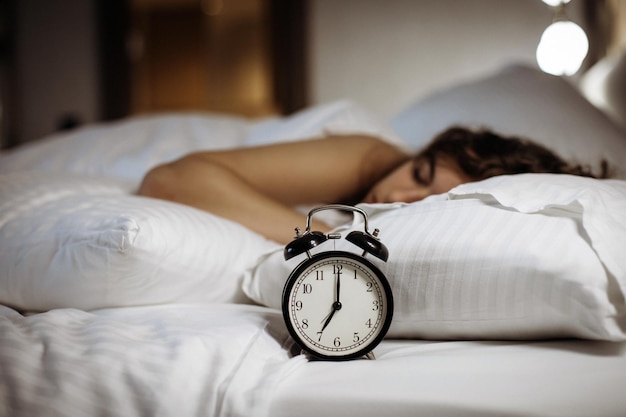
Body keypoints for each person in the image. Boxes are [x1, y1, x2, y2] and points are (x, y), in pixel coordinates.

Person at [138, 126, 608, 244]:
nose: (396, 198)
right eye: (418, 176)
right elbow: (172, 179)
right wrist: (322, 239)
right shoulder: (372, 159)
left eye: (429, 201)